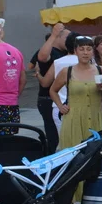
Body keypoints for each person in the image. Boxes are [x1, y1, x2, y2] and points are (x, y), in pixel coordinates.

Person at [50, 35, 102, 204]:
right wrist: (60, 106)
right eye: (81, 49)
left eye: (88, 49)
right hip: (73, 120)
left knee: (96, 160)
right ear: (75, 51)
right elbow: (52, 90)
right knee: (72, 160)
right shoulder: (67, 71)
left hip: (95, 119)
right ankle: (68, 203)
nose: (85, 52)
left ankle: (92, 200)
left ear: (93, 51)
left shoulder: (100, 70)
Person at [34, 25, 70, 153]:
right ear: (58, 38)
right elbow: (42, 57)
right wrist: (53, 34)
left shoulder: (66, 53)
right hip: (48, 99)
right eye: (67, 38)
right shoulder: (52, 51)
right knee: (53, 137)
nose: (70, 41)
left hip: (62, 99)